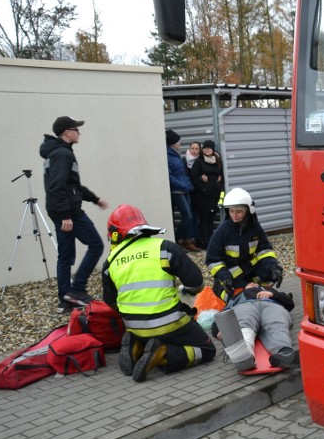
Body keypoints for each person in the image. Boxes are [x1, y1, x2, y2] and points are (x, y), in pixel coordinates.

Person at [101, 204, 216, 382]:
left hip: (134, 326)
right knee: (207, 349)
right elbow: (196, 284)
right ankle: (163, 353)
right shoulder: (165, 248)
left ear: (115, 234)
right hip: (168, 323)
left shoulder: (110, 262)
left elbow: (110, 301)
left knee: (152, 333)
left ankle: (139, 344)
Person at [39, 116, 109, 313]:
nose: (79, 133)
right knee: (96, 245)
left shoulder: (55, 152)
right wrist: (66, 215)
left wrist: (95, 199)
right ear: (67, 132)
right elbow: (57, 186)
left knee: (66, 255)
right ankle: (77, 289)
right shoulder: (63, 154)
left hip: (58, 208)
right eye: (76, 130)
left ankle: (66, 299)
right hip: (67, 211)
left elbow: (73, 186)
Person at [206, 188, 282, 302]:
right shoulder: (222, 231)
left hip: (249, 268)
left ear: (248, 210)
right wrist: (225, 277)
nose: (234, 215)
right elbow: (213, 260)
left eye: (239, 211)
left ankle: (261, 293)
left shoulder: (254, 227)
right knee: (229, 292)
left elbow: (264, 250)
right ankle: (225, 289)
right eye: (231, 211)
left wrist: (273, 267)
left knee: (271, 274)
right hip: (231, 272)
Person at [213, 282, 298, 372]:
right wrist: (221, 329)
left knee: (276, 324)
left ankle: (285, 354)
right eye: (249, 283)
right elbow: (221, 315)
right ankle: (244, 355)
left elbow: (290, 303)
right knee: (244, 323)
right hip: (245, 305)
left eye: (255, 283)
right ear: (245, 288)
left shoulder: (270, 290)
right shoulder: (236, 296)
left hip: (271, 304)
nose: (252, 283)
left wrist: (273, 294)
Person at [165, 129, 199, 252]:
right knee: (187, 216)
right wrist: (182, 186)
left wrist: (189, 185)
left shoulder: (176, 154)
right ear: (173, 143)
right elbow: (169, 176)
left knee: (190, 216)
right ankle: (177, 240)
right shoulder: (167, 156)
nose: (180, 143)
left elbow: (183, 173)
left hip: (185, 189)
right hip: (177, 191)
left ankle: (187, 241)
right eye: (179, 141)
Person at [189, 139, 223, 249]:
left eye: (209, 148)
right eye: (205, 148)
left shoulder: (217, 159)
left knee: (211, 219)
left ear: (213, 149)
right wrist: (201, 182)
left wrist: (219, 181)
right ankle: (204, 242)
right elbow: (193, 176)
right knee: (204, 220)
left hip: (214, 194)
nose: (207, 150)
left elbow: (221, 173)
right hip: (202, 195)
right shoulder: (199, 161)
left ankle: (211, 241)